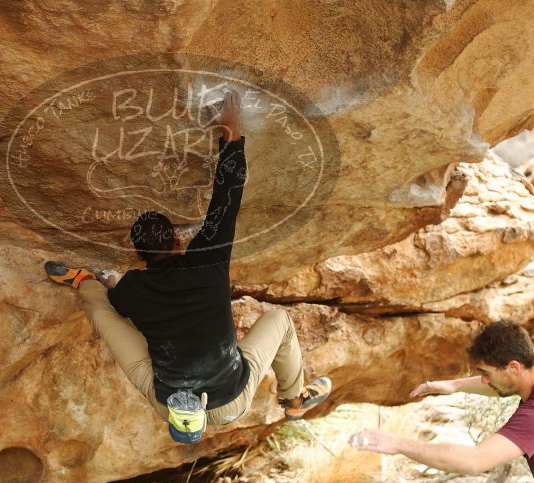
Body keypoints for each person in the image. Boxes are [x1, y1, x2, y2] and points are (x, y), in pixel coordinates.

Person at [45, 90, 332, 443]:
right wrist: (231, 130)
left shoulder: (133, 289)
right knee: (280, 321)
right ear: (178, 241)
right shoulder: (208, 262)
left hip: (185, 403)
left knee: (105, 316)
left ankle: (83, 280)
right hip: (224, 398)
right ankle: (293, 399)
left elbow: (119, 301)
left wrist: (111, 284)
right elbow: (228, 197)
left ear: (139, 256)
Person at [349, 320, 534, 483]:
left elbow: (475, 460)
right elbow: (504, 383)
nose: (483, 380)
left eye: (486, 373)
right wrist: (456, 385)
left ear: (514, 367)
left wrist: (398, 444)